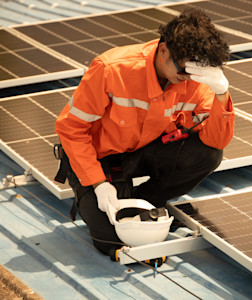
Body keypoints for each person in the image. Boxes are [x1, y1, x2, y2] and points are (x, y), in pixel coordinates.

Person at [55, 8, 235, 257]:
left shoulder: (193, 79)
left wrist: (220, 92)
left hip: (141, 151)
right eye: (184, 70)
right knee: (112, 239)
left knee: (208, 155)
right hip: (97, 158)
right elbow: (71, 129)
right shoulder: (112, 69)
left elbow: (216, 141)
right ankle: (109, 194)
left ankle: (146, 198)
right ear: (164, 51)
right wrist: (98, 184)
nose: (188, 79)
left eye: (196, 72)